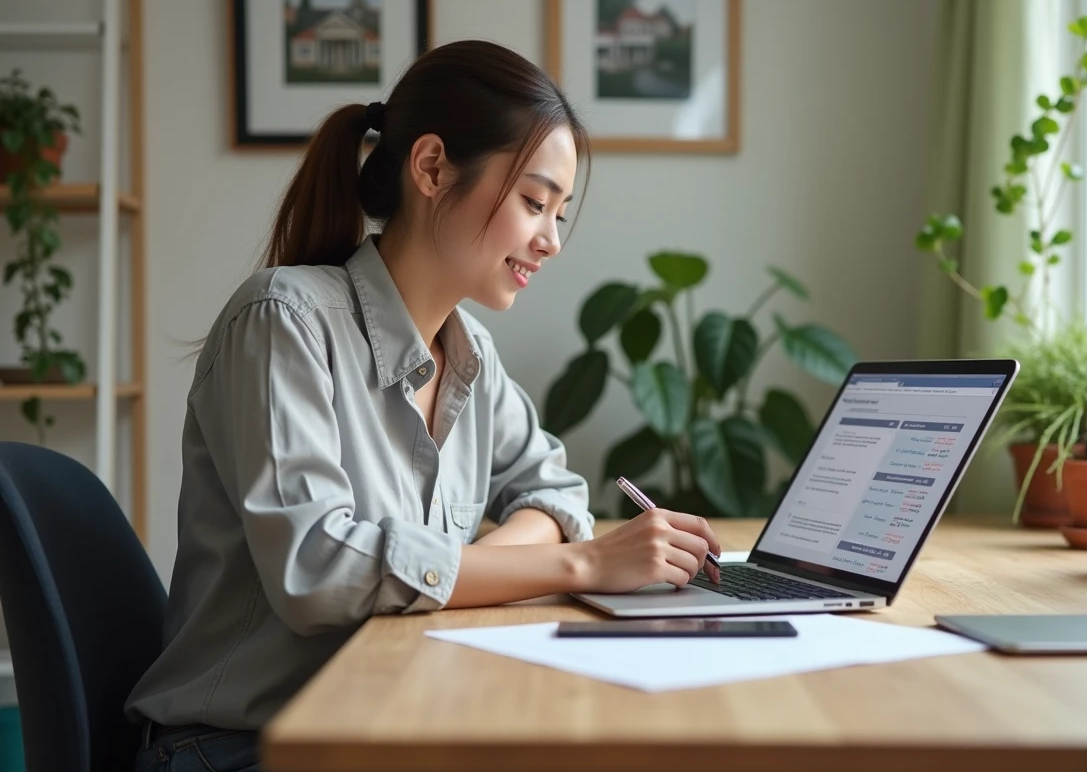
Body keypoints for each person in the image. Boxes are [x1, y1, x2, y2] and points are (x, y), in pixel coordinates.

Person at [126, 40, 721, 771]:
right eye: (536, 202)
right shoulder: (284, 320)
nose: (551, 240)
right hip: (239, 747)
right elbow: (318, 568)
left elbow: (556, 493)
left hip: (383, 719)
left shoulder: (470, 356)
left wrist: (466, 567)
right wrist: (578, 567)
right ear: (432, 167)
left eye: (560, 213)